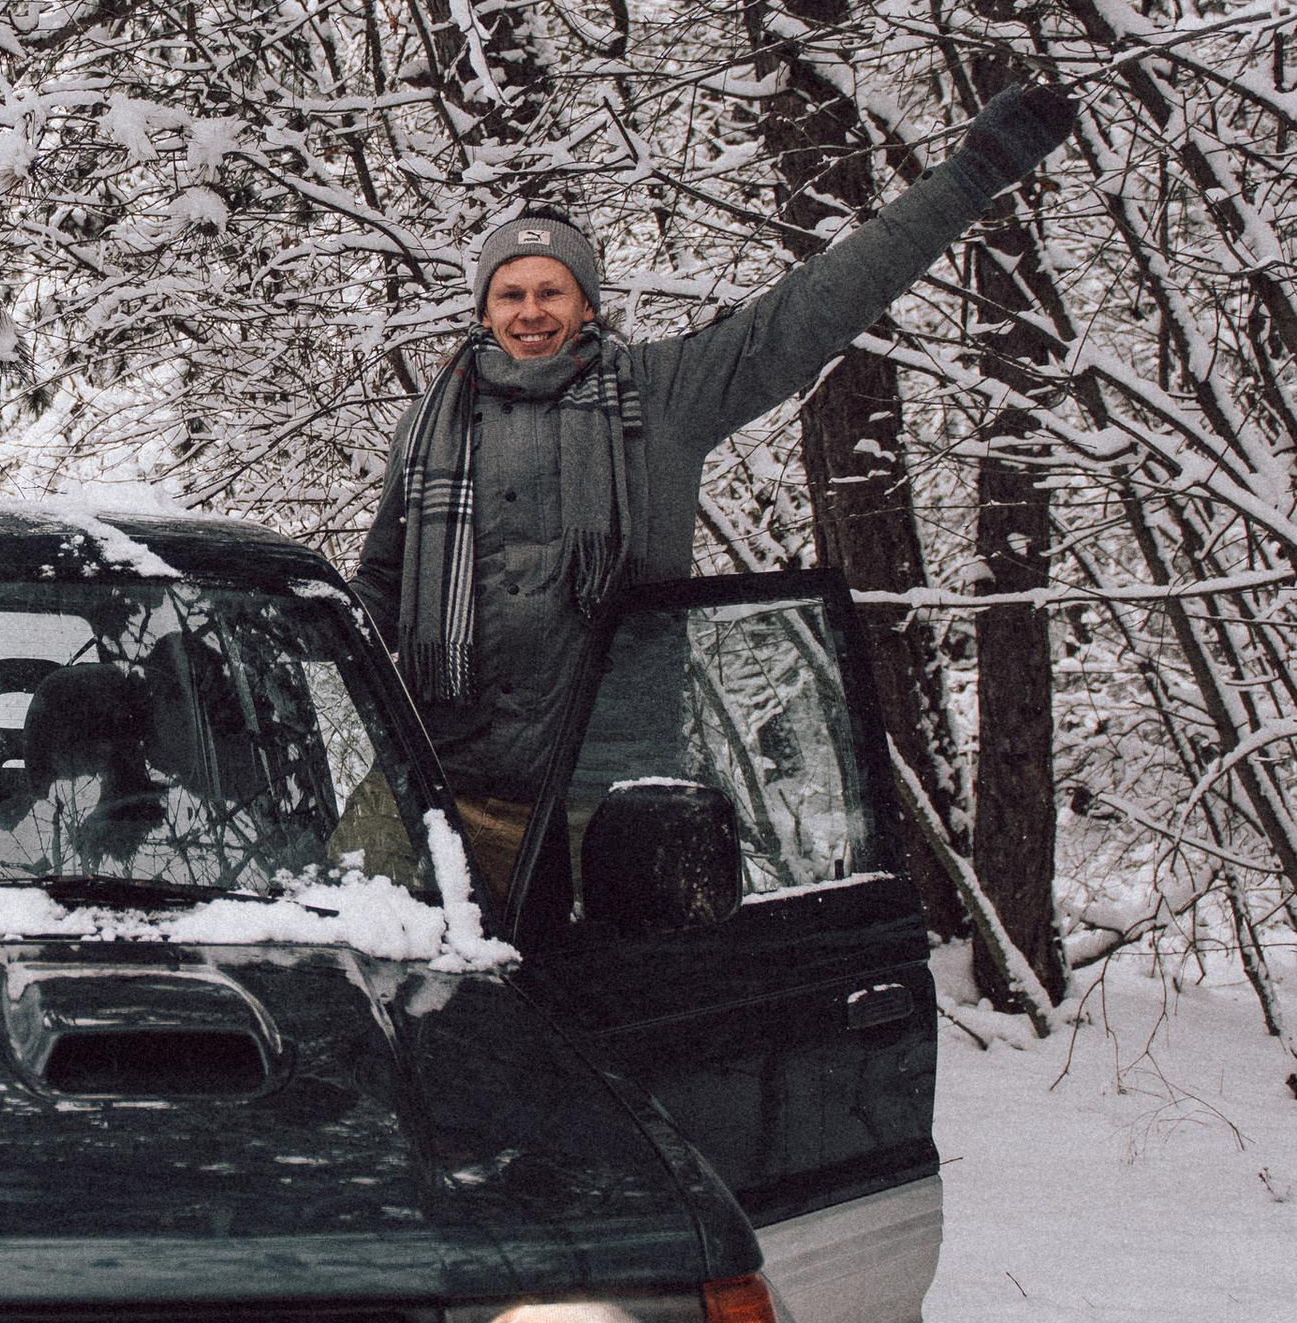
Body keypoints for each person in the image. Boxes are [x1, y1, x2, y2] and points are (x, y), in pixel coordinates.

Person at [356, 84, 1080, 903]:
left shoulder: (662, 396)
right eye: (510, 294)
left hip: (604, 801)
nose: (531, 312)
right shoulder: (432, 423)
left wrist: (974, 174)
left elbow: (811, 309)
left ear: (586, 302)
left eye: (550, 291)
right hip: (441, 788)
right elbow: (380, 584)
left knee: (619, 984)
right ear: (485, 309)